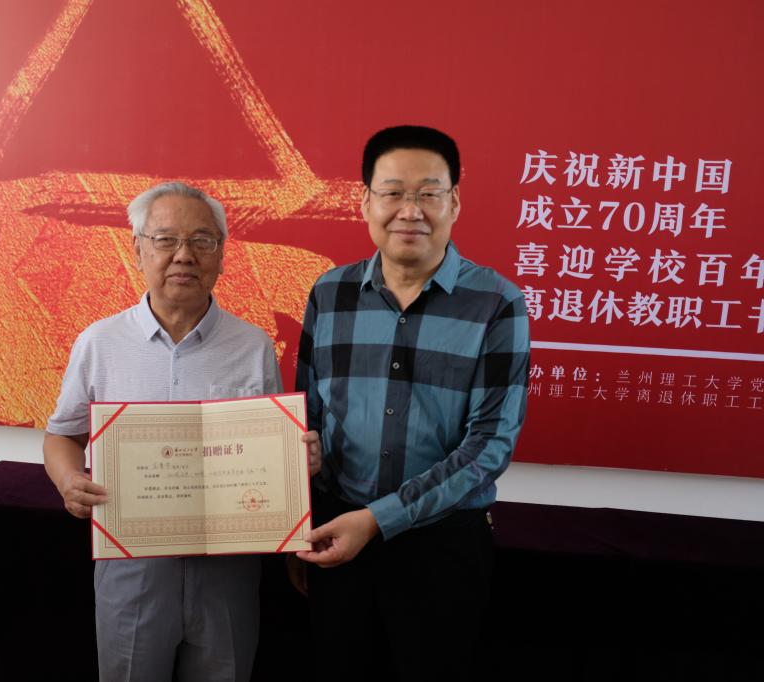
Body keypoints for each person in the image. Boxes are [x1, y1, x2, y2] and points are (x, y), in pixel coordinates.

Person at [43, 181, 321, 682]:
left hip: (229, 569)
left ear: (221, 254)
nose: (183, 255)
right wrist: (68, 480)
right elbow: (63, 435)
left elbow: (270, 450)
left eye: (201, 240)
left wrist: (295, 462)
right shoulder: (99, 343)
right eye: (165, 239)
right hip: (131, 564)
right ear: (138, 250)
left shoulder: (253, 346)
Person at [293, 125, 530, 681]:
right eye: (393, 192)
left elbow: (489, 446)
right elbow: (307, 416)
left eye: (428, 193)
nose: (410, 210)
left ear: (454, 203)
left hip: (441, 546)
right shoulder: (329, 294)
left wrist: (378, 520)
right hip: (335, 532)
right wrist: (298, 486)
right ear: (365, 202)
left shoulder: (496, 303)